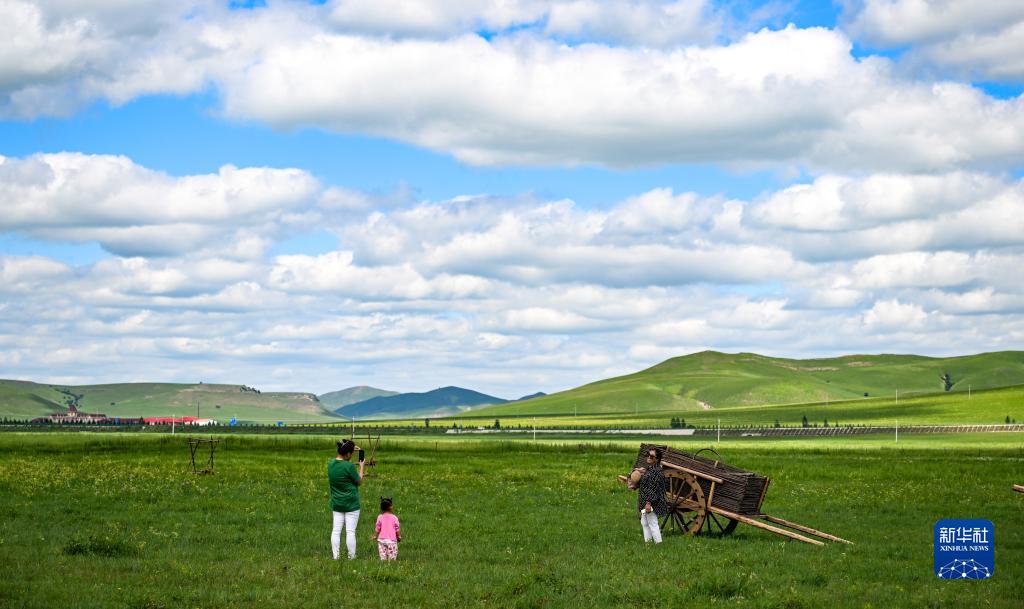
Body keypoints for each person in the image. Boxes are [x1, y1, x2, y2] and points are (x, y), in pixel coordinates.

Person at [328, 439, 364, 559]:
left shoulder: (331, 464)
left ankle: (336, 556)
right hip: (351, 504)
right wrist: (362, 467)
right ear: (348, 454)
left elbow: (342, 461)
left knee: (336, 531)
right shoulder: (349, 466)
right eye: (351, 453)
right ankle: (351, 557)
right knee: (350, 531)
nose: (352, 456)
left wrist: (350, 448)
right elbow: (359, 481)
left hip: (337, 503)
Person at [636, 447, 669, 544]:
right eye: (648, 455)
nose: (649, 457)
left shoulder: (656, 472)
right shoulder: (650, 470)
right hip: (646, 501)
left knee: (652, 523)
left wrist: (648, 503)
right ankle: (649, 544)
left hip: (652, 502)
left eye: (651, 456)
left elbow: (654, 489)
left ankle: (658, 544)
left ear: (657, 459)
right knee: (645, 522)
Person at [372, 496, 401, 561]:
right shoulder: (394, 518)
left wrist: (375, 536)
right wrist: (399, 536)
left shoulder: (380, 517)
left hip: (381, 540)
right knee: (392, 559)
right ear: (390, 507)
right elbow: (397, 528)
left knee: (383, 558)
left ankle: (383, 566)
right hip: (391, 541)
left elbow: (377, 528)